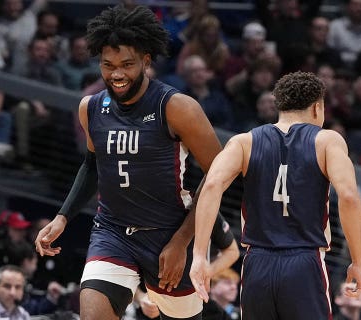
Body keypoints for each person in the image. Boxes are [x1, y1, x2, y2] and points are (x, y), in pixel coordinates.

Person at [34, 5, 222, 320]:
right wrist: (63, 216)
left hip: (169, 233)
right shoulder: (91, 108)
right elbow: (92, 165)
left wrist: (181, 241)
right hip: (112, 230)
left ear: (146, 62)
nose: (116, 74)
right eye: (108, 65)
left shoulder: (176, 107)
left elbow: (219, 173)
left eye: (126, 64)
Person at [190, 71, 361, 319]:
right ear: (318, 107)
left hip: (257, 263)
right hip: (304, 262)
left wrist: (199, 255)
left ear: (279, 105)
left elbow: (210, 186)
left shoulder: (244, 141)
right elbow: (348, 196)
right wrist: (358, 262)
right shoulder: (328, 141)